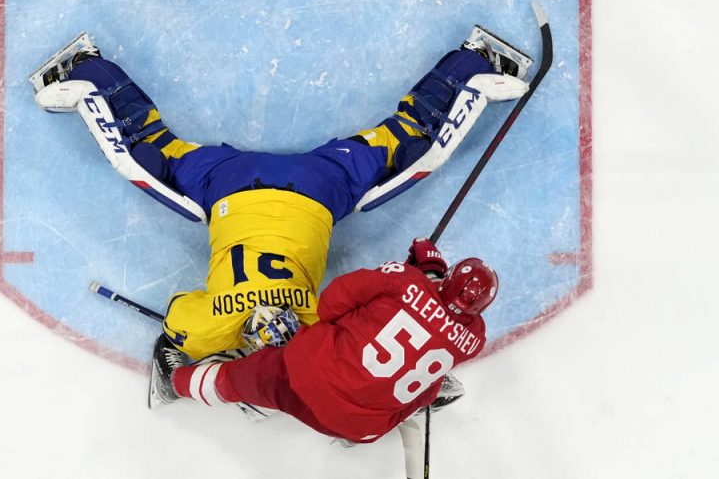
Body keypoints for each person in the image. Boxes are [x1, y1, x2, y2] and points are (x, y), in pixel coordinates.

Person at [30, 25, 530, 361]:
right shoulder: (213, 329)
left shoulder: (316, 323)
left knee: (406, 143)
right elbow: (179, 313)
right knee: (149, 153)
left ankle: (473, 63)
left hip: (320, 185)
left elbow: (366, 329)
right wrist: (205, 343)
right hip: (228, 182)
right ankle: (86, 71)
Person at [149, 237, 497, 445]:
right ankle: (271, 405)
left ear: (448, 278)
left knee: (239, 378)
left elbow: (329, 305)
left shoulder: (403, 280)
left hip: (306, 380)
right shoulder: (473, 340)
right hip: (361, 429)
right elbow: (437, 321)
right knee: (413, 386)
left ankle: (172, 384)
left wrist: (421, 275)